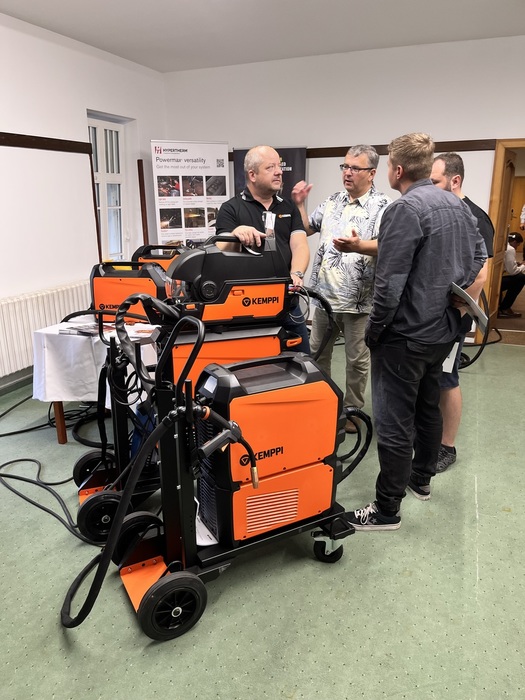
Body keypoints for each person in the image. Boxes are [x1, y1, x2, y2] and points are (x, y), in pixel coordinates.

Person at [345, 133, 487, 531]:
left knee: (394, 422)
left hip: (405, 335)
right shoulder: (456, 204)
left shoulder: (403, 209)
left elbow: (389, 283)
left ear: (397, 169)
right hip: (443, 331)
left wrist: (375, 331)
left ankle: (386, 509)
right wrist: (456, 296)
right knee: (427, 408)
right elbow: (479, 255)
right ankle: (421, 481)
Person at [291, 145, 391, 433]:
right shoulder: (333, 201)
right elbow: (307, 228)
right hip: (324, 297)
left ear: (372, 173)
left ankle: (353, 411)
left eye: (355, 168)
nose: (347, 172)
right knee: (317, 354)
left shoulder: (384, 206)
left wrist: (359, 246)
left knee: (356, 361)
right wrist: (300, 204)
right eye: (345, 166)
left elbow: (389, 244)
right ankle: (324, 404)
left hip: (360, 300)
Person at [430, 153, 493, 473]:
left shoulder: (476, 217)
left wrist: (459, 302)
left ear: (455, 181)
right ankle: (426, 432)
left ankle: (447, 446)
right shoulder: (437, 212)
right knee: (428, 375)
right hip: (429, 314)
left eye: (435, 181)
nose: (429, 187)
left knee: (446, 377)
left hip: (454, 316)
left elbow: (482, 274)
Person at [215, 145, 310, 352]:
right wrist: (235, 233)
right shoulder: (231, 208)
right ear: (252, 175)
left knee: (303, 360)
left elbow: (300, 245)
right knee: (256, 364)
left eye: (279, 166)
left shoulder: (288, 207)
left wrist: (296, 273)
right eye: (270, 167)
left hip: (286, 302)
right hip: (247, 306)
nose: (279, 172)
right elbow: (220, 247)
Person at [499, 231, 525, 317]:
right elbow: (512, 271)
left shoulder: (503, 245)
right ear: (514, 242)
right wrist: (523, 266)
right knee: (521, 278)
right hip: (499, 281)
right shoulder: (510, 249)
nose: (517, 247)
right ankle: (505, 308)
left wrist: (515, 264)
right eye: (518, 245)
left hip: (497, 277)